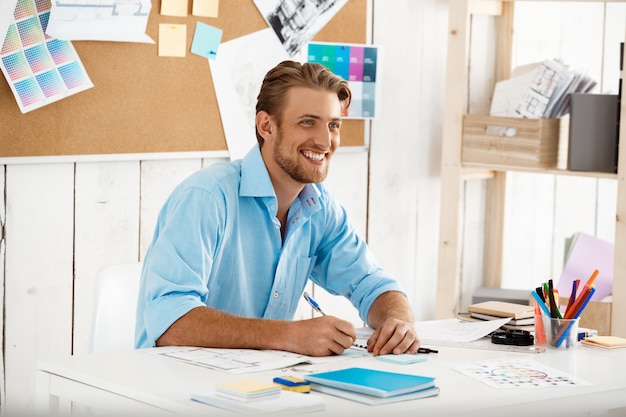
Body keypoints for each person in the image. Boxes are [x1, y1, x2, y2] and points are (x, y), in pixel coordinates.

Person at [135, 60, 419, 357]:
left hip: (258, 386)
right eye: (308, 122)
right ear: (266, 126)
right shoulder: (206, 197)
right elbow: (170, 322)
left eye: (333, 125)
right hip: (175, 386)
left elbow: (372, 283)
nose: (325, 141)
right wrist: (291, 335)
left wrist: (398, 322)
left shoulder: (320, 207)